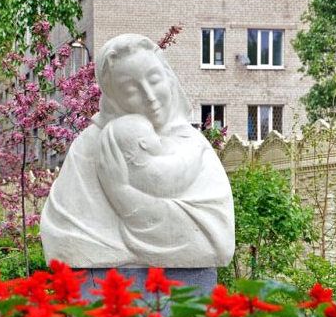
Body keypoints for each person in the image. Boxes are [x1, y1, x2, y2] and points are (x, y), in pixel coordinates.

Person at [40, 33, 234, 268]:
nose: (150, 97)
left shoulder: (194, 147)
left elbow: (215, 242)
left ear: (169, 77)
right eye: (130, 90)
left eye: (154, 80)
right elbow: (64, 242)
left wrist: (120, 191)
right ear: (113, 98)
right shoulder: (90, 149)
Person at [103, 113, 203, 198]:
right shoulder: (160, 168)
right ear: (143, 144)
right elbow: (187, 165)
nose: (159, 138)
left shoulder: (130, 172)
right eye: (153, 133)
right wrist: (198, 147)